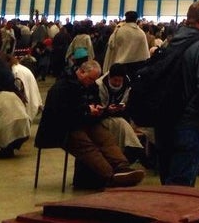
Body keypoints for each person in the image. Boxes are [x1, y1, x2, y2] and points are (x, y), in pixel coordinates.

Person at [35, 60, 144, 188]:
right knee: (86, 145)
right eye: (91, 79)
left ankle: (122, 167)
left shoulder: (91, 86)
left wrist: (99, 110)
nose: (92, 82)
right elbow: (60, 113)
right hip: (63, 128)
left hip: (84, 122)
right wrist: (87, 110)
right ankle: (109, 176)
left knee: (105, 137)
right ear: (81, 72)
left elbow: (94, 103)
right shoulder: (61, 87)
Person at [156, 0, 199, 186]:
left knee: (168, 183)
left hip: (165, 121)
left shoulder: (173, 42)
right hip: (190, 123)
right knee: (181, 187)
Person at [103, 11, 150, 78]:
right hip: (137, 66)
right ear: (136, 19)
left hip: (120, 65)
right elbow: (145, 54)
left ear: (126, 18)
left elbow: (111, 44)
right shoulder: (141, 33)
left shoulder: (119, 31)